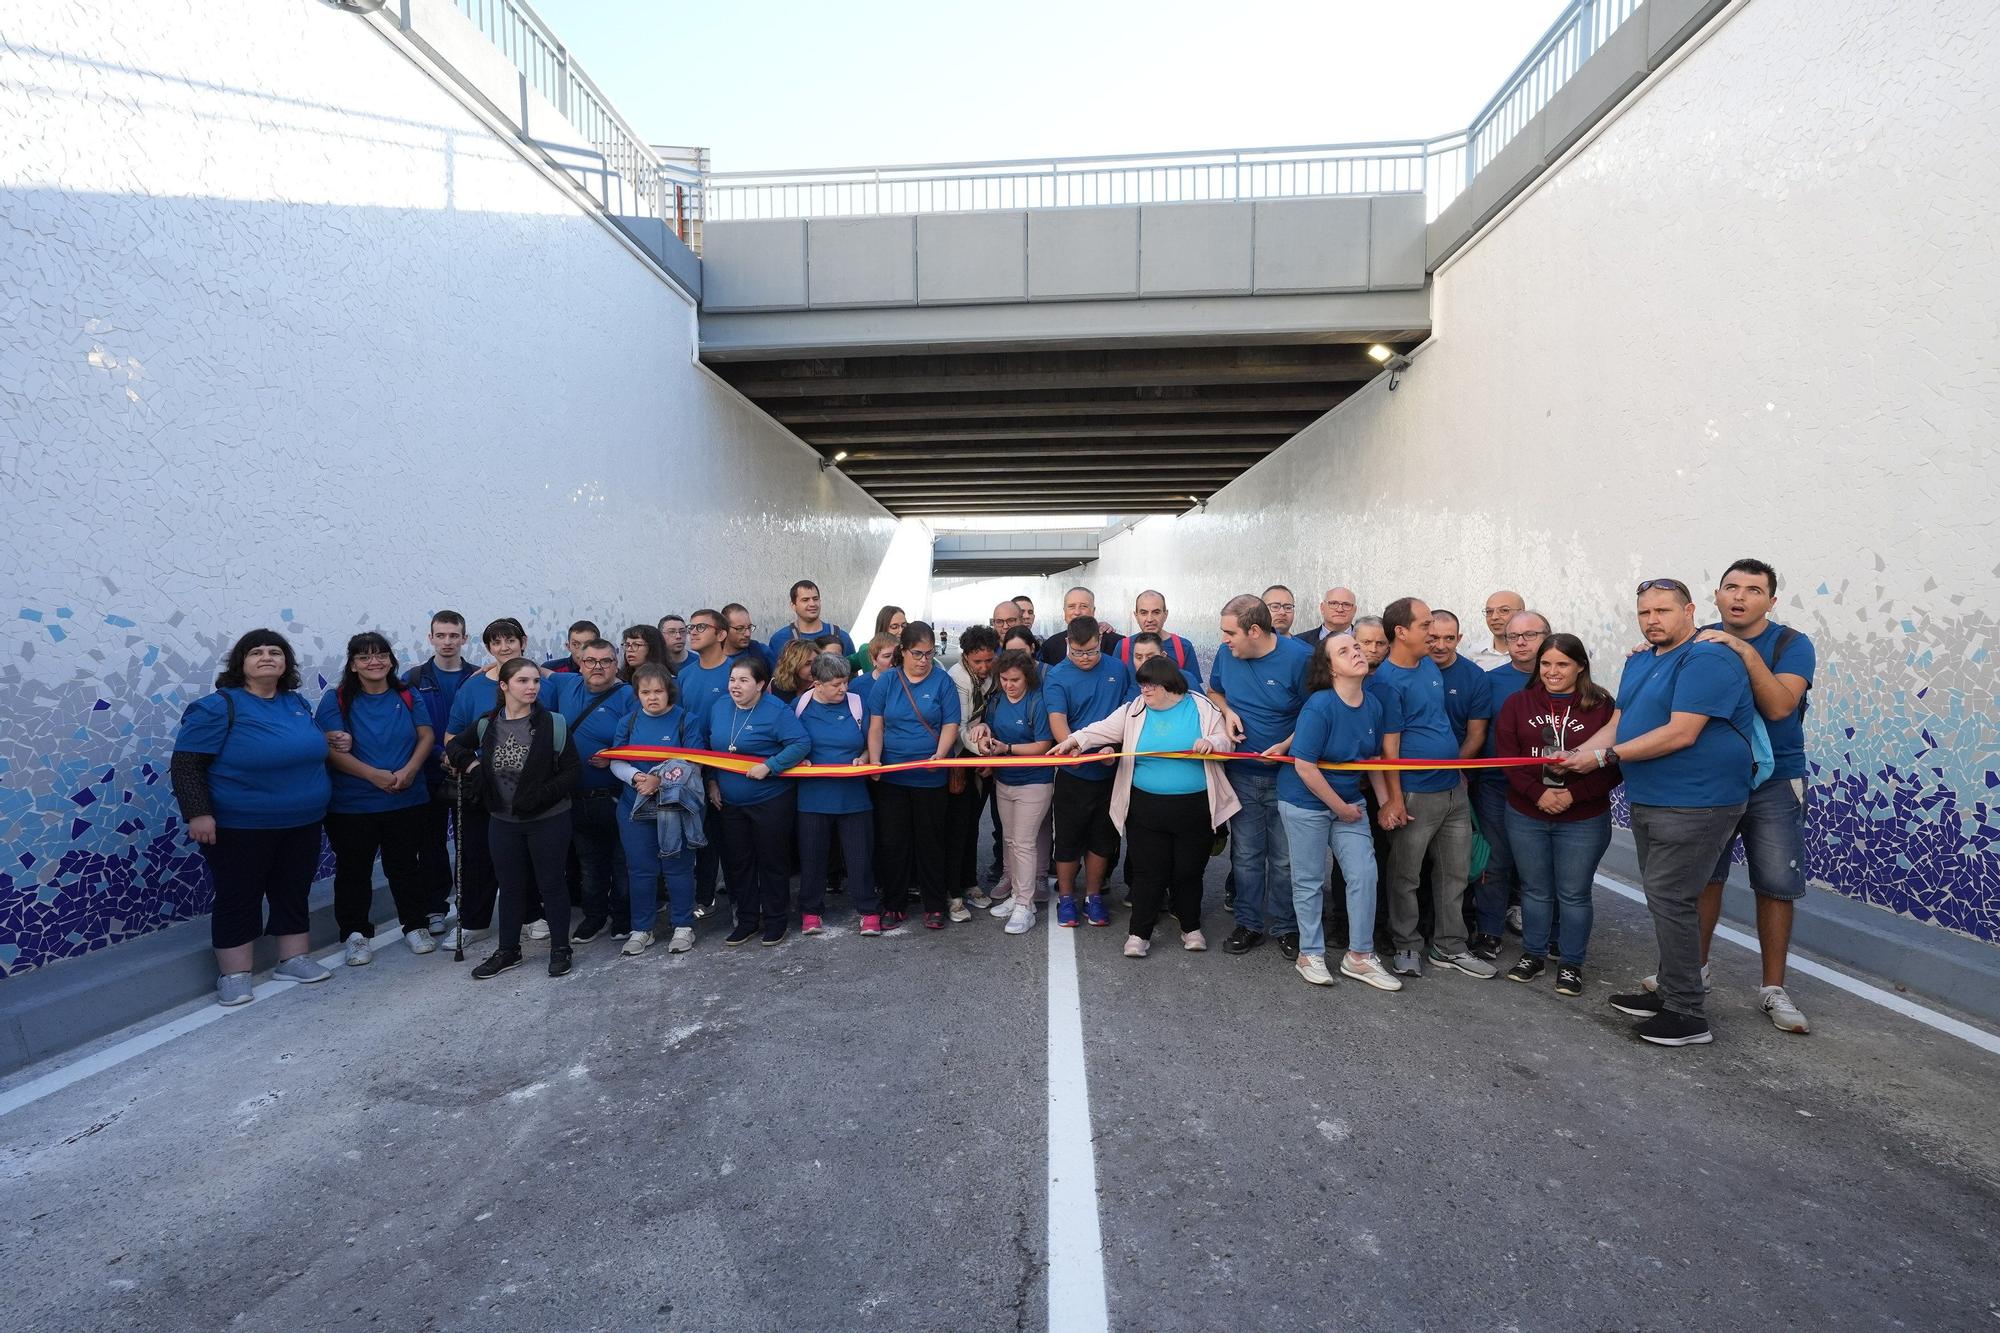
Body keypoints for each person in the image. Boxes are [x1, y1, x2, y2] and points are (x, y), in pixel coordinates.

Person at [1561, 578, 1760, 1048]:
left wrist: (1603, 759)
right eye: (1644, 612)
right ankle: (1673, 992)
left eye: (1663, 611)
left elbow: (1682, 733)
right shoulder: (1642, 660)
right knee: (1667, 898)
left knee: (1672, 899)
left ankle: (1688, 1014)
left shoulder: (1707, 658)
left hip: (1697, 800)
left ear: (1690, 610)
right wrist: (1574, 756)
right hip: (1654, 798)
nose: (1652, 620)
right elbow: (1618, 722)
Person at [1683, 558, 1816, 1033]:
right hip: (1713, 778)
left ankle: (1772, 989)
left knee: (1776, 885)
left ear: (1771, 601)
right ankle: (1689, 975)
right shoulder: (1693, 638)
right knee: (1704, 879)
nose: (1740, 597)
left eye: (1753, 590)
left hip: (1776, 780)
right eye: (1731, 587)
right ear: (1716, 595)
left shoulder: (1791, 644)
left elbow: (1781, 706)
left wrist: (1743, 651)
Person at [171, 630, 335, 1006]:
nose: (266, 657)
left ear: (285, 663)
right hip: (240, 824)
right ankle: (234, 975)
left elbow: (303, 748)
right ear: (240, 663)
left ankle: (293, 958)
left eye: (275, 652)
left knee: (293, 889)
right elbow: (187, 765)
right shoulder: (218, 707)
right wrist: (198, 814)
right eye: (256, 652)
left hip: (303, 820)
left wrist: (331, 741)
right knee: (238, 895)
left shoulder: (295, 703)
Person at [1051, 657, 1239, 957]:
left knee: (1189, 871)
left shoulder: (1202, 707)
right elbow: (1100, 730)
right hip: (1146, 808)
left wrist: (1212, 743)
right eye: (1141, 684)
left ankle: (1191, 928)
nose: (1144, 690)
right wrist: (1074, 741)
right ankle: (1139, 934)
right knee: (1149, 871)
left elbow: (1227, 741)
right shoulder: (1134, 709)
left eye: (1150, 685)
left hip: (1195, 808)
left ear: (1169, 684)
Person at [1374, 597, 1495, 979]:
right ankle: (1407, 945)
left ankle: (1449, 946)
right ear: (1402, 632)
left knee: (1455, 872)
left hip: (1452, 788)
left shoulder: (1428, 665)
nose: (1432, 632)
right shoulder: (1385, 681)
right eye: (1426, 625)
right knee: (1406, 874)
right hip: (1414, 792)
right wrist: (1393, 798)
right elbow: (1387, 746)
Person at [1277, 634, 1403, 992]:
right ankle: (1310, 954)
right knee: (1309, 879)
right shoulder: (1319, 706)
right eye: (1345, 651)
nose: (1357, 653)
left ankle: (1360, 957)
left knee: (1364, 873)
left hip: (1350, 804)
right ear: (1330, 668)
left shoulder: (1374, 705)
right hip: (1306, 803)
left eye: (1357, 648)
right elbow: (1304, 766)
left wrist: (1382, 804)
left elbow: (1373, 760)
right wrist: (1341, 809)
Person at [1497, 634, 1619, 995]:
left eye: (1562, 664)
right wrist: (1538, 794)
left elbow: (1614, 763)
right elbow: (1509, 759)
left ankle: (1570, 963)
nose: (1552, 671)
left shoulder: (1602, 706)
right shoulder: (1518, 703)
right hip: (1527, 813)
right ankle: (1532, 954)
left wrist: (1572, 795)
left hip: (1582, 818)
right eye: (1546, 663)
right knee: (1535, 889)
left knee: (1574, 893)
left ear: (1580, 665)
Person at [447, 658, 581, 980]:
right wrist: (473, 767)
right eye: (523, 681)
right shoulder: (487, 724)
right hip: (503, 822)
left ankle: (560, 948)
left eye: (535, 681)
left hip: (549, 820)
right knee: (509, 888)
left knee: (552, 885)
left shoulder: (554, 723)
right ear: (504, 686)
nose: (532, 687)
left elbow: (573, 771)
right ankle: (509, 951)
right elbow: (455, 746)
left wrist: (543, 794)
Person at [316, 632, 434, 966]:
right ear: (353, 665)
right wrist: (373, 775)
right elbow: (331, 749)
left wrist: (410, 770)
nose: (375, 662)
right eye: (365, 657)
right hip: (352, 805)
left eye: (381, 654)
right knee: (354, 870)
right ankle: (355, 935)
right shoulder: (335, 700)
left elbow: (425, 735)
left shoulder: (407, 694)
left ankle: (415, 925)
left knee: (406, 866)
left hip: (406, 798)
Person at [1208, 594, 1313, 956]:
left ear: (1254, 630)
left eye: (1229, 632)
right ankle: (1248, 924)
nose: (1223, 640)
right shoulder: (1226, 655)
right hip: (1242, 774)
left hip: (1288, 777)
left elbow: (1319, 711)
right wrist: (1227, 712)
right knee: (1246, 856)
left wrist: (1287, 745)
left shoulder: (1300, 658)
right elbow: (1214, 690)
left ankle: (1286, 926)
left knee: (1285, 858)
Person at [441, 617, 546, 947]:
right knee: (476, 853)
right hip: (482, 788)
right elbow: (452, 735)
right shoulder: (472, 687)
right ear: (488, 648)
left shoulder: (540, 680)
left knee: (525, 852)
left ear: (523, 642)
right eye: (496, 643)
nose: (504, 647)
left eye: (510, 640)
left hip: (527, 788)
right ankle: (474, 921)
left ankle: (531, 915)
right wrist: (469, 765)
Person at [698, 657, 810, 945]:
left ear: (761, 684)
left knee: (771, 862)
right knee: (738, 863)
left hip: (770, 801)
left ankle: (776, 920)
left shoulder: (776, 711)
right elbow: (710, 750)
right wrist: (712, 781)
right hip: (730, 803)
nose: (735, 686)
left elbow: (800, 744)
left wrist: (770, 765)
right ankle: (747, 920)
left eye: (744, 680)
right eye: (733, 680)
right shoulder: (720, 707)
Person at [866, 622, 962, 929]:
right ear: (902, 652)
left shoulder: (942, 682)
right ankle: (894, 903)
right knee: (893, 842)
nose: (924, 660)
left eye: (929, 654)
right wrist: (877, 762)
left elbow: (950, 724)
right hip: (892, 777)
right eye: (917, 653)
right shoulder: (888, 682)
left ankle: (934, 905)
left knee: (931, 842)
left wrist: (941, 754)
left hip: (930, 776)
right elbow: (876, 725)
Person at [1044, 615, 1135, 928]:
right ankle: (1067, 897)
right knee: (1068, 839)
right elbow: (1058, 723)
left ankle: (1094, 896)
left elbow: (1128, 714)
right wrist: (1073, 750)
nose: (1086, 658)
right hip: (1074, 771)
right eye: (1079, 652)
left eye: (1092, 652)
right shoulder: (1057, 675)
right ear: (1068, 643)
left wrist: (1114, 747)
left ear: (1100, 642)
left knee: (1103, 839)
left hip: (1111, 771)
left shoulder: (1118, 669)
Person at [607, 663, 702, 956]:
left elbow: (694, 762)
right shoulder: (629, 721)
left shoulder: (688, 720)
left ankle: (683, 926)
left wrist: (658, 780)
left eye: (658, 691)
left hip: (675, 807)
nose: (652, 697)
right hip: (634, 806)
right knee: (640, 869)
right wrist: (638, 778)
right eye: (645, 692)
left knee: (678, 866)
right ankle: (641, 929)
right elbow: (616, 759)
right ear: (637, 693)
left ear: (669, 691)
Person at [1473, 610, 1551, 947]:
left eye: (1529, 635)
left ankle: (1546, 936)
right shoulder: (1490, 681)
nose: (1519, 642)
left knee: (1542, 864)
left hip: (1548, 785)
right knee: (1497, 858)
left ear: (1547, 637)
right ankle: (1489, 931)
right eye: (1512, 637)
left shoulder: (1563, 678)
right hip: (1496, 783)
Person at [793, 653, 882, 937]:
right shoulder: (799, 706)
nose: (843, 689)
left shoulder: (857, 704)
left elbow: (873, 740)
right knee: (812, 857)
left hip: (854, 796)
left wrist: (866, 757)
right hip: (813, 797)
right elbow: (786, 742)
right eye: (835, 684)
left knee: (860, 858)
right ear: (816, 683)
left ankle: (868, 911)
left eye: (845, 682)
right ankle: (810, 911)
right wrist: (799, 760)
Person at [972, 649, 1056, 935]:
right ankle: (1018, 897)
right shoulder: (996, 701)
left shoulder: (1037, 701)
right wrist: (985, 734)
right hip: (1004, 780)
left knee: (1023, 842)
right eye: (1004, 679)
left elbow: (1044, 745)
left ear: (1027, 678)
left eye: (1015, 679)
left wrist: (1007, 749)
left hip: (1035, 780)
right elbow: (991, 731)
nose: (1009, 684)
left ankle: (1025, 904)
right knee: (1010, 841)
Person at [404, 610, 477, 936]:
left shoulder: (480, 677)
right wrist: (440, 755)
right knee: (429, 844)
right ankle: (435, 907)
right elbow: (408, 728)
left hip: (471, 773)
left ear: (464, 638)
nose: (447, 642)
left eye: (454, 635)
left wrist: (465, 756)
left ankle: (469, 904)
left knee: (470, 843)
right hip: (430, 774)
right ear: (430, 638)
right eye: (441, 635)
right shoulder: (413, 679)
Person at [562, 639, 637, 942]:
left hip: (617, 795)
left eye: (606, 661)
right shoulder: (565, 687)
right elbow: (523, 670)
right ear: (578, 663)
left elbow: (643, 738)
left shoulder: (629, 695)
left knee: (622, 862)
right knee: (589, 865)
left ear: (616, 664)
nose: (598, 667)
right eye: (590, 661)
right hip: (576, 797)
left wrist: (616, 755)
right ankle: (594, 917)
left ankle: (622, 918)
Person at [675, 609, 738, 918]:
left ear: (721, 634)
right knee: (701, 836)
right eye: (691, 627)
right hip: (693, 769)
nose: (693, 632)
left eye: (701, 626)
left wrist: (715, 774)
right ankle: (704, 897)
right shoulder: (685, 674)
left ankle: (742, 900)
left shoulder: (736, 671)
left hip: (729, 768)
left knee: (732, 836)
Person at [945, 625, 1001, 919]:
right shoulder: (957, 678)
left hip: (982, 760)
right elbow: (958, 726)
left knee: (970, 827)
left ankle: (969, 883)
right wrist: (985, 751)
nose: (984, 667)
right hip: (961, 759)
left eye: (988, 660)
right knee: (957, 828)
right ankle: (953, 893)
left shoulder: (993, 675)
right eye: (977, 661)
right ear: (965, 655)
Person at [1115, 590, 1203, 688]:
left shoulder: (1183, 647)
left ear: (1165, 614)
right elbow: (1115, 687)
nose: (1149, 619)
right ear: (1136, 616)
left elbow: (1193, 691)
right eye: (1144, 613)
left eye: (1156, 612)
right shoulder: (1123, 646)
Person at [768, 579, 857, 658]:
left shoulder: (841, 637)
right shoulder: (779, 639)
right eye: (805, 600)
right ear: (793, 605)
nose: (812, 604)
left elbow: (852, 674)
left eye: (815, 599)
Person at [1039, 587, 1124, 667]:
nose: (1077, 612)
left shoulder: (1117, 643)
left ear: (1093, 611)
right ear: (1064, 611)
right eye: (1071, 606)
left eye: (1084, 606)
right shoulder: (1050, 646)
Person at [1471, 590, 1526, 669]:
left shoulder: (1534, 652)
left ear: (1521, 613)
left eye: (1504, 610)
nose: (1494, 617)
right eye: (1489, 611)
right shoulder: (1474, 653)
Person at [850, 606, 906, 675]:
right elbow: (843, 665)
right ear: (883, 627)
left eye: (904, 625)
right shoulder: (866, 650)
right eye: (894, 627)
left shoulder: (911, 651)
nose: (901, 630)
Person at [721, 603, 771, 672]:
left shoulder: (761, 652)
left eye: (749, 627)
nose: (747, 634)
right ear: (724, 629)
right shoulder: (711, 658)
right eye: (740, 629)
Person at [770, 638, 819, 704]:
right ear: (792, 665)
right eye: (807, 664)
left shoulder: (824, 687)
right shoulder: (776, 687)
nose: (814, 667)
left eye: (817, 662)